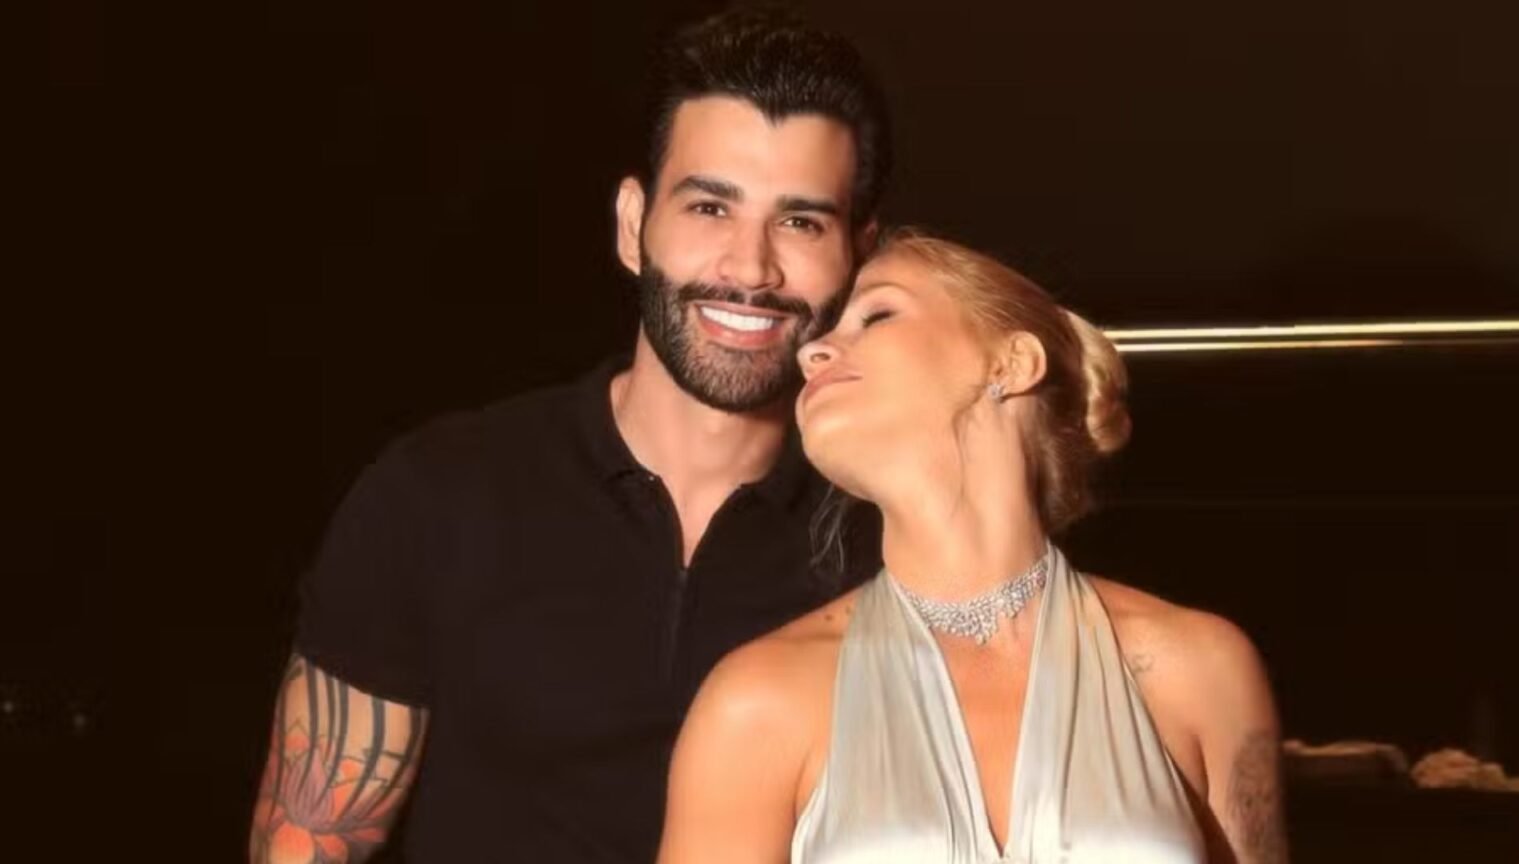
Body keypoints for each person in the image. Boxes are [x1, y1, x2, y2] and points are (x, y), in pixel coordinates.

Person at [247, 8, 891, 862]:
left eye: (800, 222)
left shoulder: (891, 541)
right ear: (633, 225)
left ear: (860, 255)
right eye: (709, 207)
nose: (750, 267)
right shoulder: (439, 495)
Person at [657, 230, 1289, 864]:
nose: (811, 351)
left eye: (877, 315)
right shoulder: (759, 698)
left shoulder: (1199, 667)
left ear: (1011, 363)